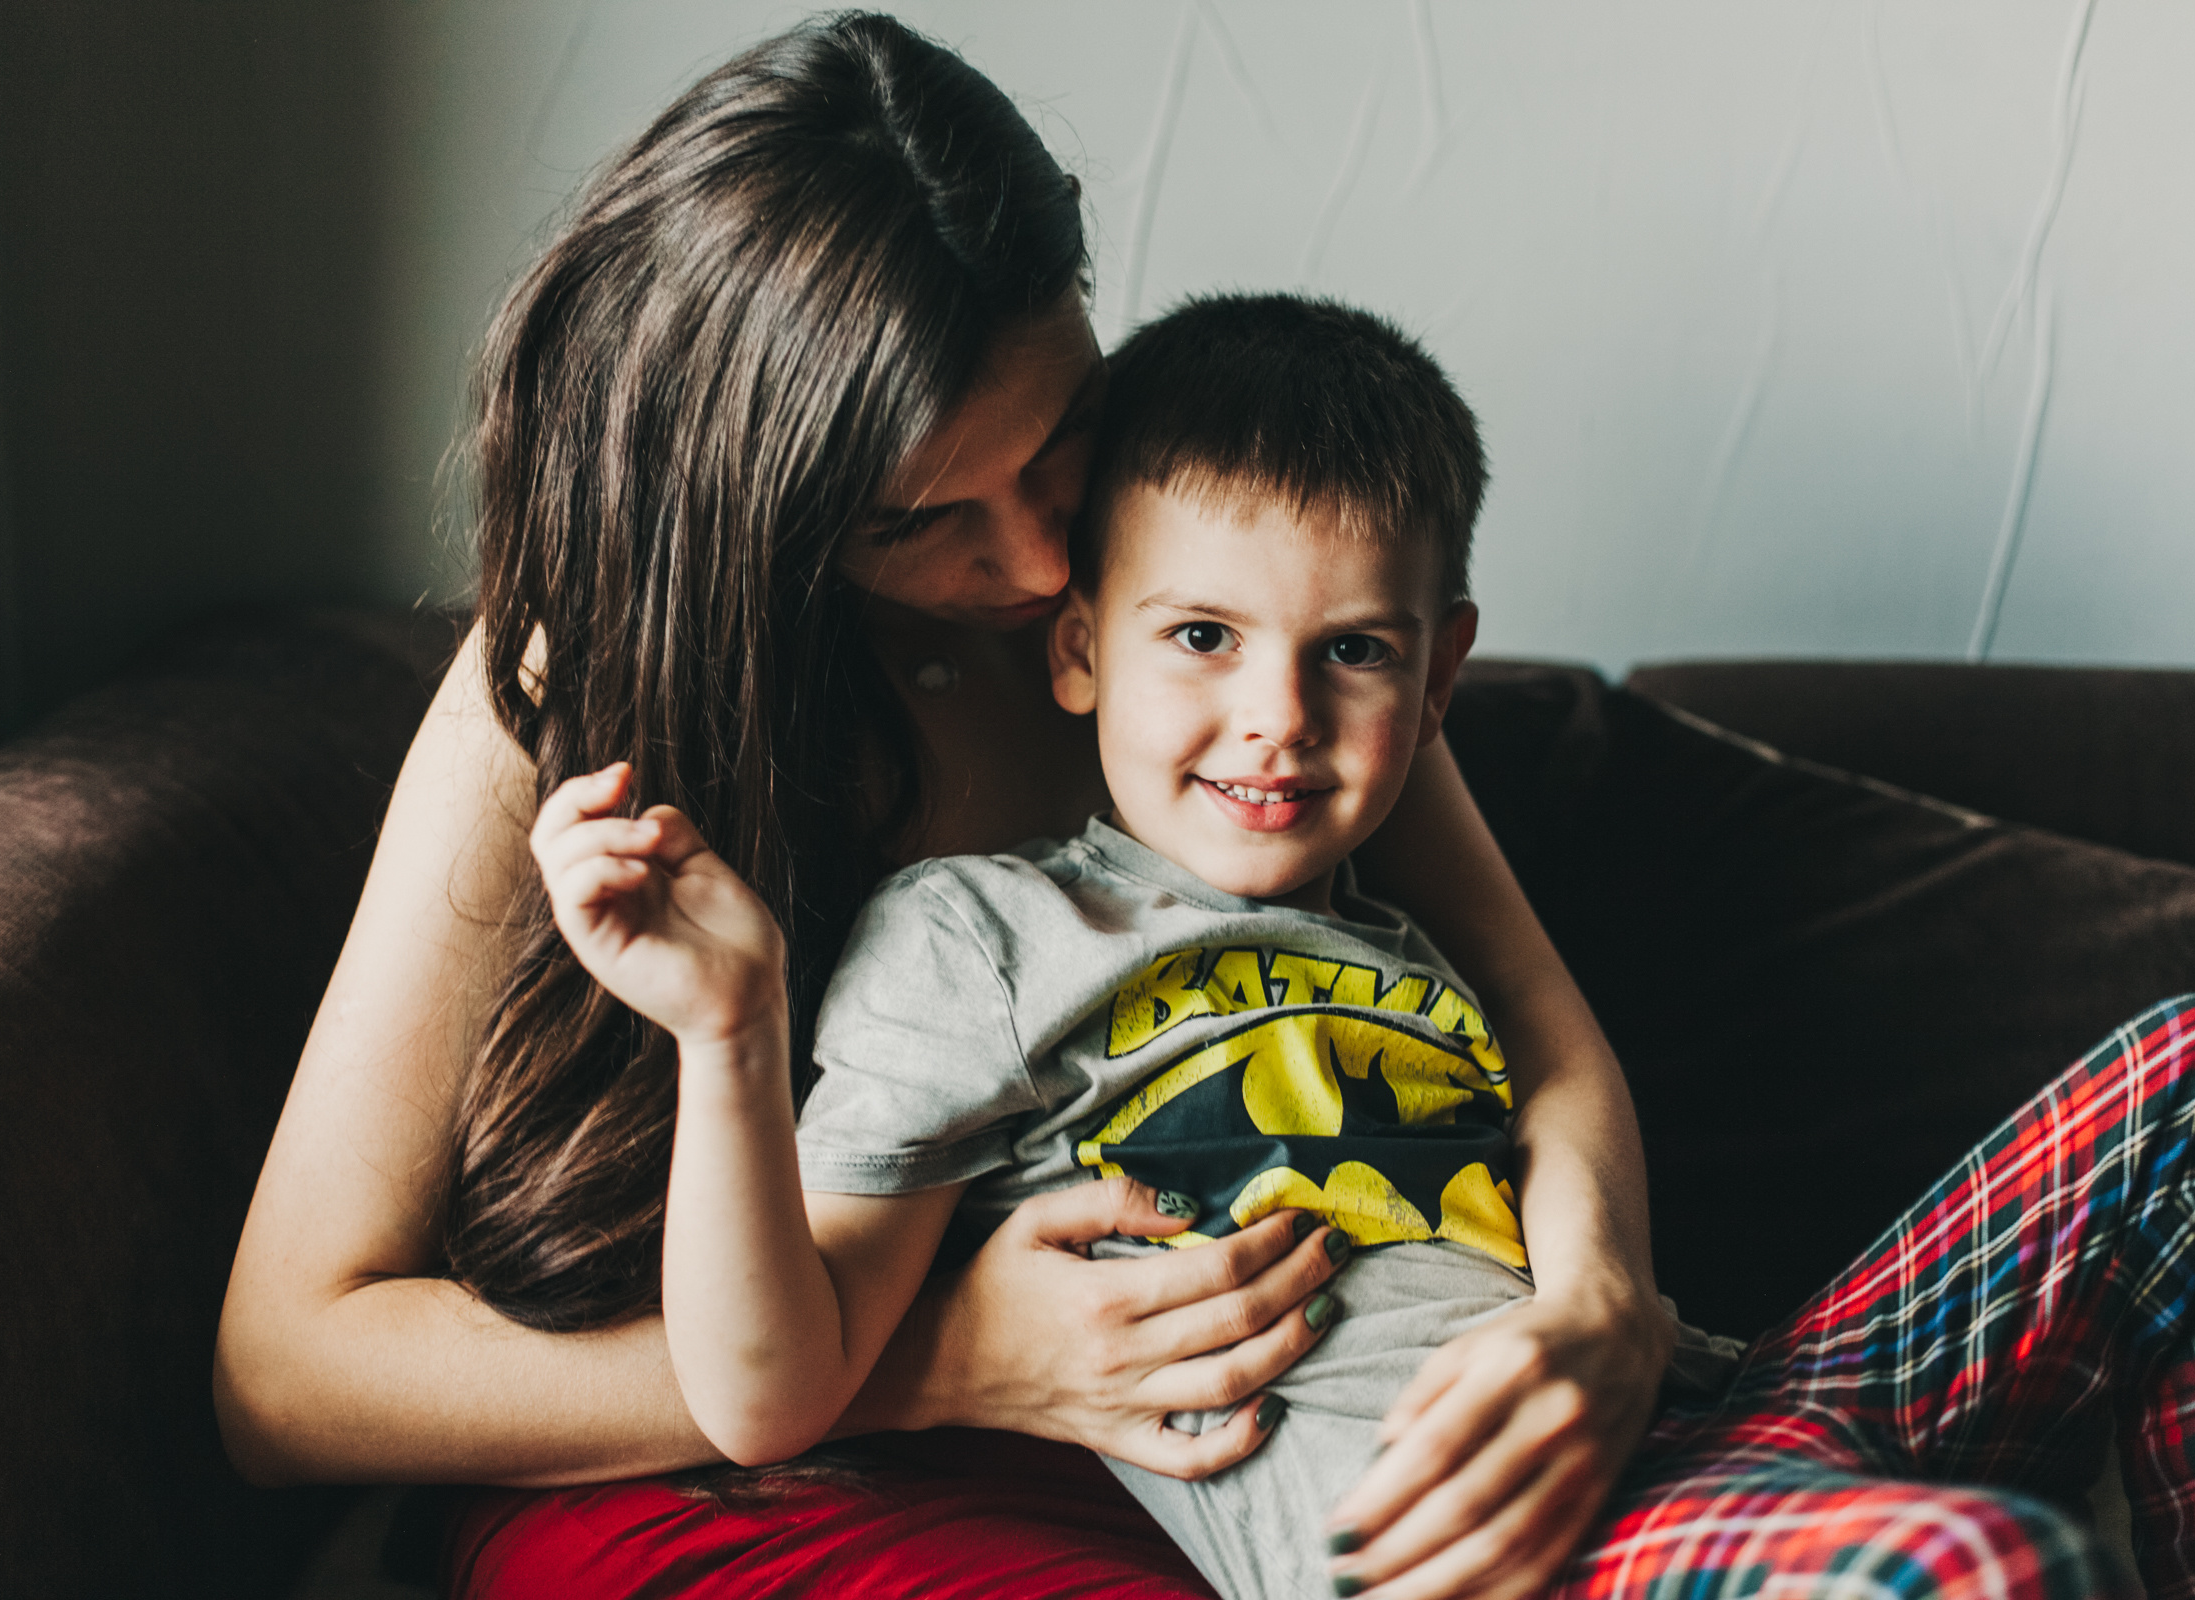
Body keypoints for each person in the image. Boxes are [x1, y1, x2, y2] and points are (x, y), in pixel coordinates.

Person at [215, 16, 1676, 1600]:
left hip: (1199, 1445)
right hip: (714, 1470)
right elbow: (290, 1372)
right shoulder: (569, 685)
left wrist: (1601, 1295)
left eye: (1058, 444)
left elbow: (1532, 1016)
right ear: (765, 512)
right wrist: (942, 1359)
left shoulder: (1204, 634)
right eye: (926, 519)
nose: (1048, 565)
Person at [529, 291, 1751, 1600]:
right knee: (1970, 1563)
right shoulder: (984, 940)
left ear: (1437, 676)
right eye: (1203, 638)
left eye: (1350, 651)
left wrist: (1599, 1304)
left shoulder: (1400, 936)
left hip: (1710, 1413)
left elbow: (1552, 1056)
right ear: (1078, 650)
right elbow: (769, 1395)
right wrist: (731, 1036)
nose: (1278, 719)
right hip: (1479, 1532)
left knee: (2013, 1209)